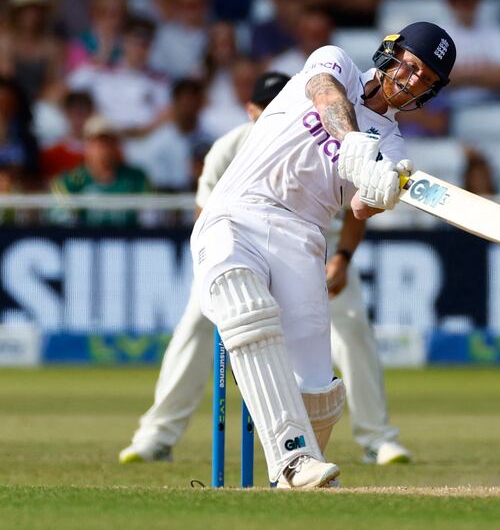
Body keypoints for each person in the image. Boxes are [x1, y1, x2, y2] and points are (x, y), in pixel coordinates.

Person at [189, 22, 455, 488]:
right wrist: (354, 144)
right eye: (411, 67)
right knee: (245, 309)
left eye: (426, 80)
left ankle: (298, 486)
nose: (412, 81)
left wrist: (383, 190)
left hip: (303, 238)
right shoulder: (337, 64)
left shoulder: (391, 145)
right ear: (389, 53)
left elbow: (358, 206)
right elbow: (324, 94)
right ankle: (291, 461)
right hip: (239, 209)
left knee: (319, 391)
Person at [118, 71, 413, 468]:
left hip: (322, 249)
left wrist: (342, 258)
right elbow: (206, 211)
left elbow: (357, 211)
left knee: (352, 331)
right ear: (252, 111)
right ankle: (156, 435)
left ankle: (376, 438)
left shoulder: (353, 130)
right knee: (195, 327)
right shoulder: (231, 146)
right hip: (234, 242)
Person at [50, 115, 150, 227]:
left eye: (107, 142)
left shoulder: (136, 178)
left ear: (116, 145)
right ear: (86, 146)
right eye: (96, 142)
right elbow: (59, 222)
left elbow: (151, 220)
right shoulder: (70, 181)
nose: (102, 149)